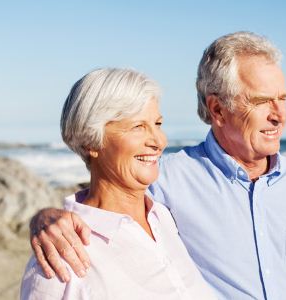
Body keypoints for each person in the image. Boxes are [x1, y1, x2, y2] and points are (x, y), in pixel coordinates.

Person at [29, 32, 286, 300]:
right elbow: (104, 197)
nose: (279, 115)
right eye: (261, 101)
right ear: (218, 109)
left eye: (282, 98)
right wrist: (45, 218)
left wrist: (45, 218)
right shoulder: (166, 181)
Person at [20, 68, 216, 299]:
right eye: (138, 127)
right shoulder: (60, 258)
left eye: (158, 124)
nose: (159, 141)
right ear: (90, 141)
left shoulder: (163, 216)